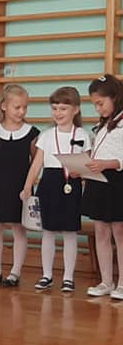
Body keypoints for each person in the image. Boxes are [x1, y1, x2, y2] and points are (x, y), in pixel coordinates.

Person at [20, 86, 91, 292]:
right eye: (55, 108)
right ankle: (47, 275)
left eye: (63, 109)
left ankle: (68, 277)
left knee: (70, 232)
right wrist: (27, 186)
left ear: (75, 110)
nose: (58, 113)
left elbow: (88, 165)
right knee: (48, 231)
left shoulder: (83, 135)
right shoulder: (46, 135)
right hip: (49, 183)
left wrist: (82, 174)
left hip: (71, 184)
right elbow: (36, 164)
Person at [0, 84, 39, 287]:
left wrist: (27, 184)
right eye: (17, 107)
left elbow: (36, 160)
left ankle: (15, 271)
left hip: (21, 188)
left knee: (19, 228)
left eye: (25, 107)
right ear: (4, 106)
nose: (21, 111)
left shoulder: (31, 133)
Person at [82, 74, 123, 299]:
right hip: (98, 180)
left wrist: (105, 164)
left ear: (114, 97)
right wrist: (84, 168)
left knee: (119, 231)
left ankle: (122, 283)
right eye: (94, 104)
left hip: (117, 181)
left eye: (100, 103)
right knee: (101, 230)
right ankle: (106, 281)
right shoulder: (102, 125)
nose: (98, 108)